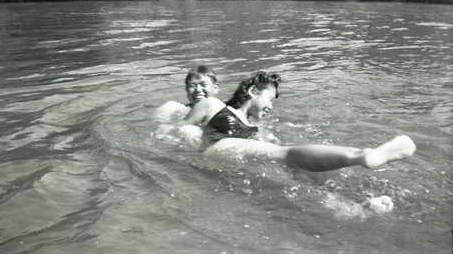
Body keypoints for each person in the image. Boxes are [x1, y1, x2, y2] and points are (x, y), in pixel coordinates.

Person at [180, 70, 416, 172]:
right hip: (218, 149)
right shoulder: (213, 105)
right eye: (269, 98)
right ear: (252, 91)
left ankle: (349, 208)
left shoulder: (256, 127)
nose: (271, 106)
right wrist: (192, 141)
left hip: (238, 160)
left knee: (295, 170)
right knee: (286, 154)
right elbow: (179, 130)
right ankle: (362, 155)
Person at [154, 65, 220, 124]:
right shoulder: (175, 110)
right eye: (192, 85)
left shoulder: (220, 108)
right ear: (186, 90)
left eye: (203, 84)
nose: (198, 89)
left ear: (215, 88)